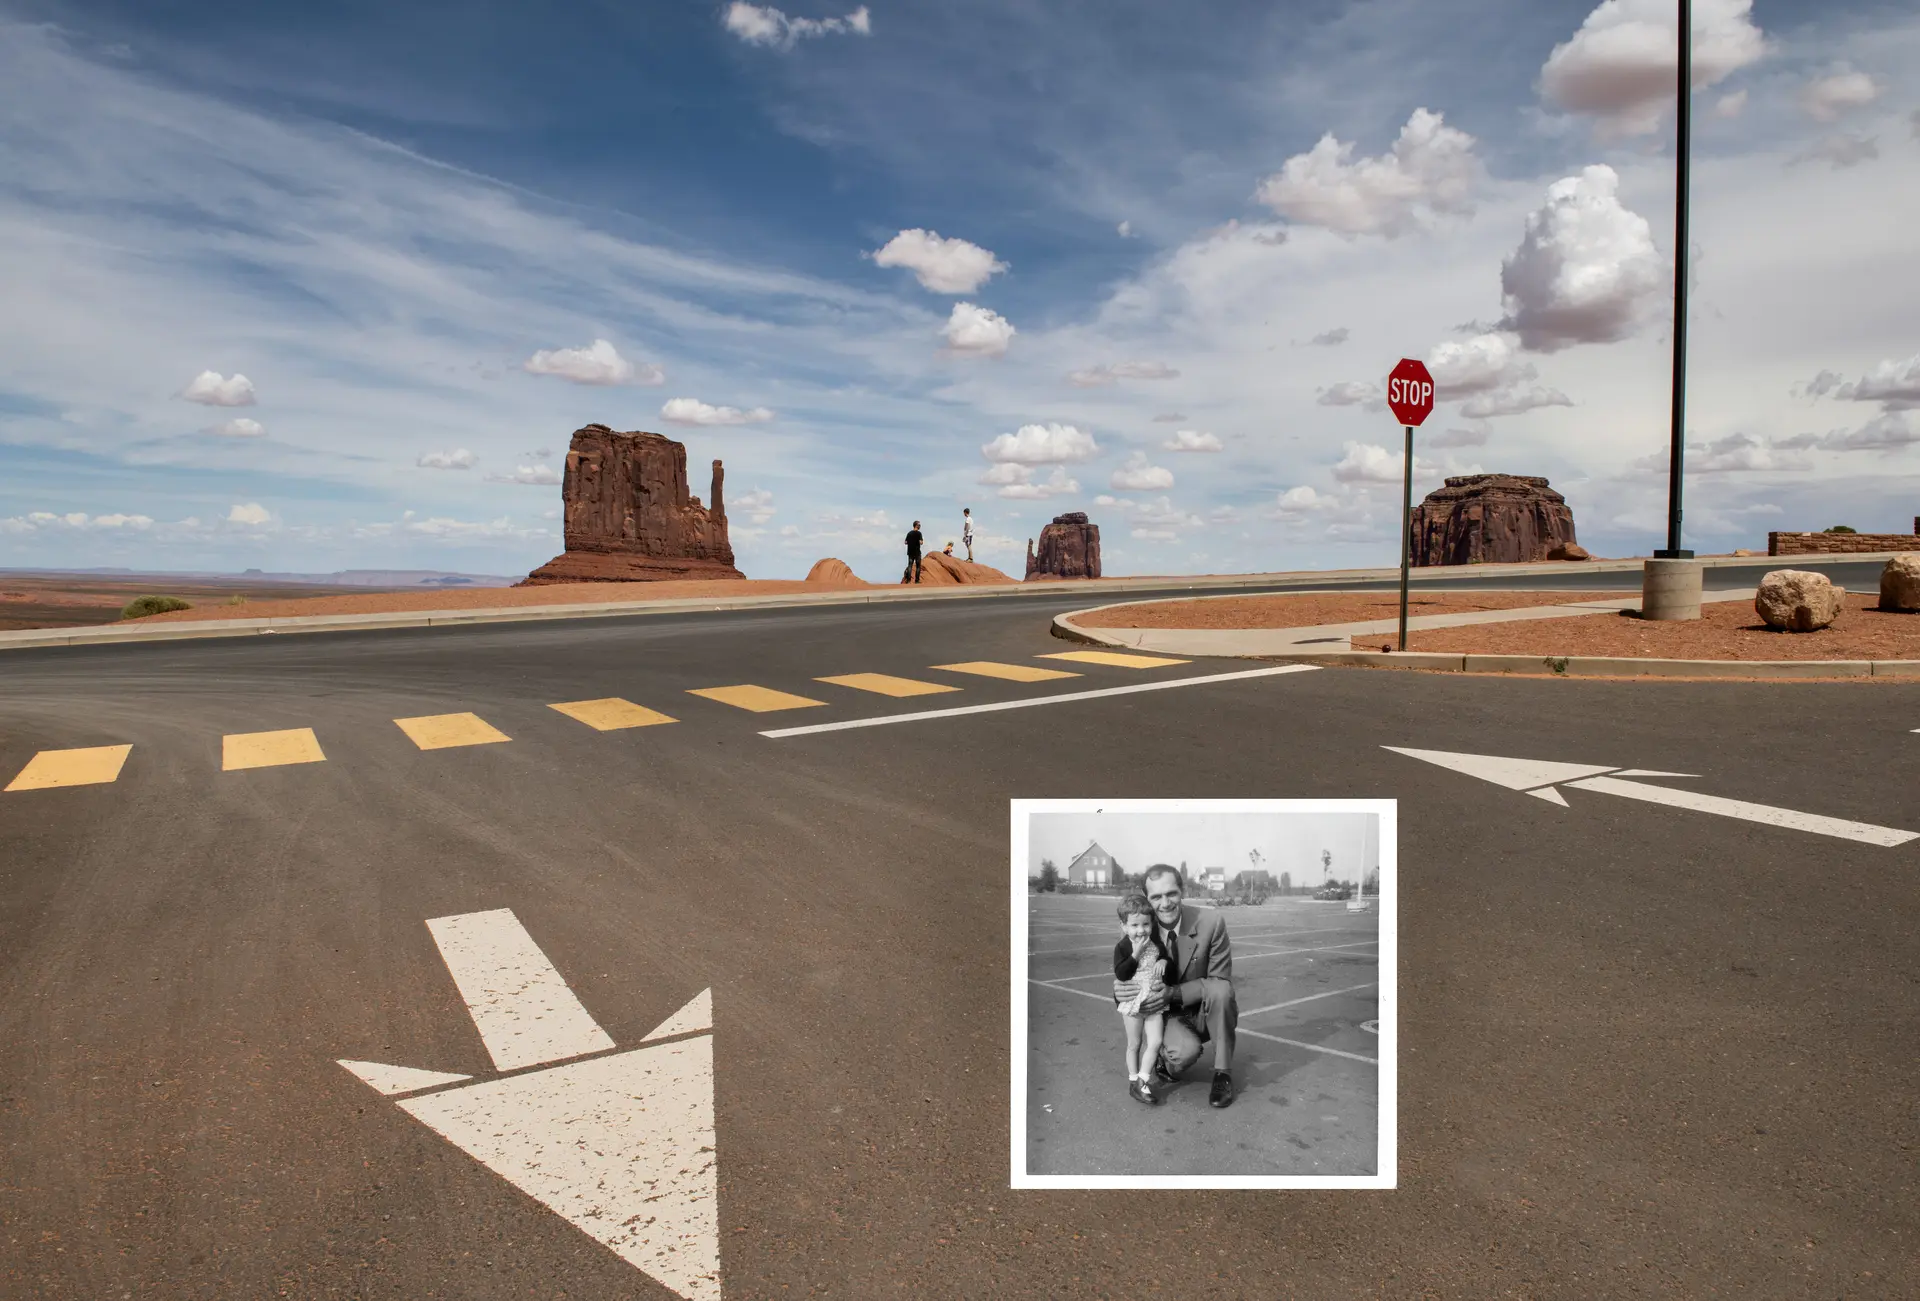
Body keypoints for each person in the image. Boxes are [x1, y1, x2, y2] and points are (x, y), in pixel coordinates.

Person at [1114, 863, 1238, 1108]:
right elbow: (1127, 973)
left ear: (1183, 891)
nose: (1165, 903)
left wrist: (1174, 993)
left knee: (1222, 992)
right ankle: (1162, 1057)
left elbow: (1220, 980)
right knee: (1181, 1055)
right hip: (1164, 1014)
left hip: (1200, 1007)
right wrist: (1119, 992)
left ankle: (1223, 1074)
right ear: (1147, 899)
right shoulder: (1138, 928)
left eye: (1171, 894)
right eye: (1156, 897)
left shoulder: (1212, 922)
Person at [1112, 893, 1170, 1106]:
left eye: (1146, 924)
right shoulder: (1123, 947)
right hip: (1133, 1002)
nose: (1141, 930)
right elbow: (1122, 974)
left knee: (1155, 1041)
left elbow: (1164, 956)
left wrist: (1164, 961)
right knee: (1134, 1044)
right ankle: (1133, 1079)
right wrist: (1135, 953)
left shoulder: (1155, 942)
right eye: (1135, 925)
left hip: (1154, 1001)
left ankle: (1142, 1080)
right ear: (1124, 926)